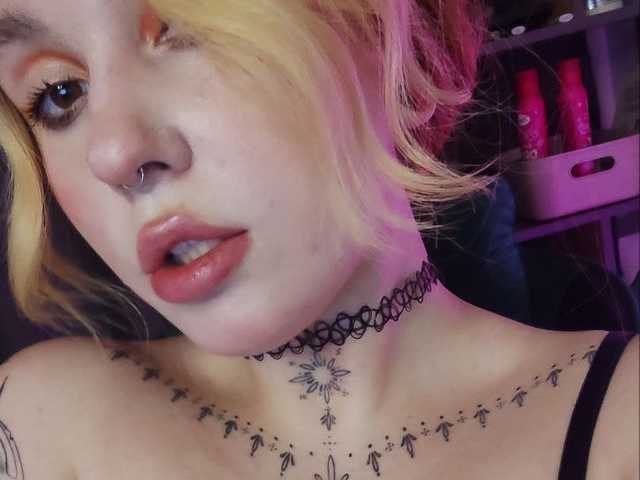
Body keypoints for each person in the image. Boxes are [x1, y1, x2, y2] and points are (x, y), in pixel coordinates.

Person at [0, 1, 637, 479]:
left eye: (187, 28)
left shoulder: (622, 423)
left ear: (397, 44)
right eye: (59, 94)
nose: (113, 153)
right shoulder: (40, 427)